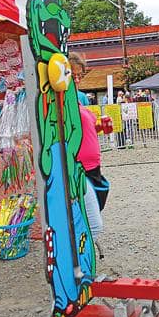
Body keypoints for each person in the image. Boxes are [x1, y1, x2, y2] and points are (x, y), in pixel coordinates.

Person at [69, 53, 105, 255]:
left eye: (79, 75)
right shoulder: (60, 102)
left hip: (92, 168)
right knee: (93, 223)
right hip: (78, 170)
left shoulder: (79, 98)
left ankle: (80, 262)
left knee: (85, 219)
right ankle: (81, 265)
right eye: (72, 75)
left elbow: (82, 131)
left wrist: (99, 126)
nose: (76, 79)